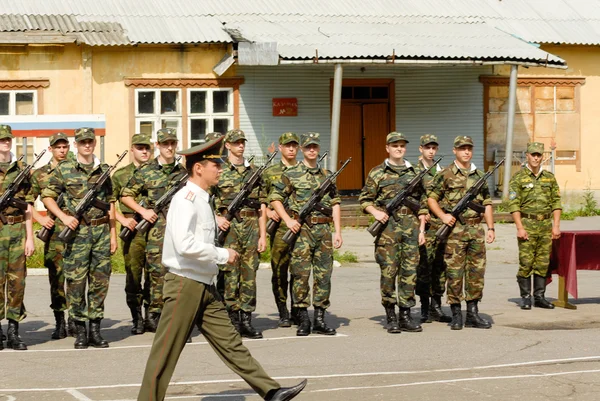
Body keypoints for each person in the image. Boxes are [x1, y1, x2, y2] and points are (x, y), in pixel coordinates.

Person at [137, 135, 307, 401]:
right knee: (165, 352)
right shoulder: (186, 199)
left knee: (231, 343)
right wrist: (222, 254)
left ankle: (271, 391)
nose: (220, 168)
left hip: (203, 283)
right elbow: (183, 245)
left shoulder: (204, 199)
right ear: (198, 168)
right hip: (185, 284)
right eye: (214, 164)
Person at [42, 127, 118, 349]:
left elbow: (111, 203)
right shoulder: (65, 169)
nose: (87, 145)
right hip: (77, 235)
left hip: (101, 233)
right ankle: (81, 330)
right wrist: (63, 217)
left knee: (100, 282)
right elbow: (48, 197)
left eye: (90, 142)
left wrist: (113, 235)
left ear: (94, 144)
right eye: (82, 142)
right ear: (76, 145)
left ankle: (95, 328)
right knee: (76, 282)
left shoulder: (103, 170)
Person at [270, 132, 343, 336]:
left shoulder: (327, 176)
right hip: (302, 232)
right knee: (300, 275)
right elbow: (275, 198)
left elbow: (336, 204)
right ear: (302, 149)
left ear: (318, 149)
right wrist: (288, 219)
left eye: (315, 147)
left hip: (324, 232)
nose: (312, 150)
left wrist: (337, 231)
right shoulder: (291, 174)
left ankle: (319, 317)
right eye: (308, 147)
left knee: (323, 276)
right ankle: (303, 318)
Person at [359, 132, 427, 334]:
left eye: (402, 146)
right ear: (387, 148)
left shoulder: (415, 172)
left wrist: (422, 229)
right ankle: (390, 316)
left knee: (409, 273)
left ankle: (405, 315)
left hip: (411, 228)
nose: (399, 148)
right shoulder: (377, 173)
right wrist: (375, 212)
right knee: (389, 272)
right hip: (387, 229)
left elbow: (423, 203)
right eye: (395, 145)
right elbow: (365, 199)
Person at [121, 128, 187, 333]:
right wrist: (143, 210)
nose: (169, 147)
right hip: (156, 234)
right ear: (157, 145)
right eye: (165, 144)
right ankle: (154, 316)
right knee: (157, 274)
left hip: (178, 233)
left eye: (173, 144)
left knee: (176, 275)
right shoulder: (146, 171)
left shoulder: (183, 173)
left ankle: (172, 317)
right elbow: (125, 195)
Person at [428, 135, 495, 330]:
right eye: (462, 148)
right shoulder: (445, 174)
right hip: (455, 232)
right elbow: (431, 199)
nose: (466, 151)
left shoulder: (479, 175)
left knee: (476, 272)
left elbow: (487, 204)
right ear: (455, 151)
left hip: (475, 230)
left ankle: (473, 313)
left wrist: (490, 228)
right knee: (454, 273)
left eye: (469, 148)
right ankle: (456, 313)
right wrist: (443, 216)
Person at [214, 129, 266, 339]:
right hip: (229, 230)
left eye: (242, 142)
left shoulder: (254, 172)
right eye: (236, 143)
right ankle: (232, 319)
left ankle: (246, 319)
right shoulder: (218, 171)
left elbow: (262, 206)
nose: (240, 146)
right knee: (229, 275)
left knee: (249, 275)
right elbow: (205, 199)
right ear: (227, 145)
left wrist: (263, 235)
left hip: (252, 228)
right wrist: (215, 218)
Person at [508, 142, 561, 310]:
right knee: (526, 262)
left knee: (543, 262)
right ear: (527, 156)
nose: (536, 158)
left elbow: (556, 202)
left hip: (545, 225)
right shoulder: (518, 178)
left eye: (539, 155)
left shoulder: (549, 178)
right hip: (527, 225)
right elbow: (514, 204)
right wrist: (519, 227)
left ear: (542, 157)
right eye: (533, 155)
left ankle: (539, 296)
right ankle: (525, 297)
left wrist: (556, 225)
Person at [30, 132, 72, 340]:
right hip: (54, 233)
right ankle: (59, 321)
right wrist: (39, 219)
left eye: (65, 147)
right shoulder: (40, 174)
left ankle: (75, 320)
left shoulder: (76, 171)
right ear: (50, 150)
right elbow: (27, 202)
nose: (62, 150)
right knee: (56, 277)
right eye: (58, 147)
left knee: (76, 276)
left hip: (74, 232)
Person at [112, 133, 152, 334]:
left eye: (147, 148)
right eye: (140, 148)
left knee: (154, 274)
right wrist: (122, 220)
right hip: (133, 228)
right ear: (133, 149)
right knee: (134, 275)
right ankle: (136, 317)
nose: (144, 151)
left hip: (154, 230)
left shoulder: (157, 171)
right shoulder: (120, 175)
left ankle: (151, 316)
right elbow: (109, 203)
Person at [0, 125, 35, 351]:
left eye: (7, 139)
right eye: (1, 139)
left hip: (16, 230)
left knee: (17, 282)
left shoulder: (22, 169)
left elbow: (28, 205)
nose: (5, 143)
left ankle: (13, 330)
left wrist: (30, 238)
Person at [262, 132, 300, 327]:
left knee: (299, 270)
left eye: (294, 145)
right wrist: (268, 211)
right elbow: (260, 198)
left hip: (300, 228)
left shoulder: (305, 171)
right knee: (279, 270)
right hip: (279, 229)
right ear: (280, 148)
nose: (291, 148)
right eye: (287, 145)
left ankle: (297, 309)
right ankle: (283, 309)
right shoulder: (270, 172)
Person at [414, 135, 452, 324]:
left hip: (440, 224)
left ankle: (437, 305)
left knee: (440, 266)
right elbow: (412, 197)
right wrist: (421, 211)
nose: (431, 151)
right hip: (423, 226)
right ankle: (424, 307)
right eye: (427, 147)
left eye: (434, 148)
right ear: (421, 149)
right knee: (424, 266)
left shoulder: (443, 172)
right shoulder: (413, 171)